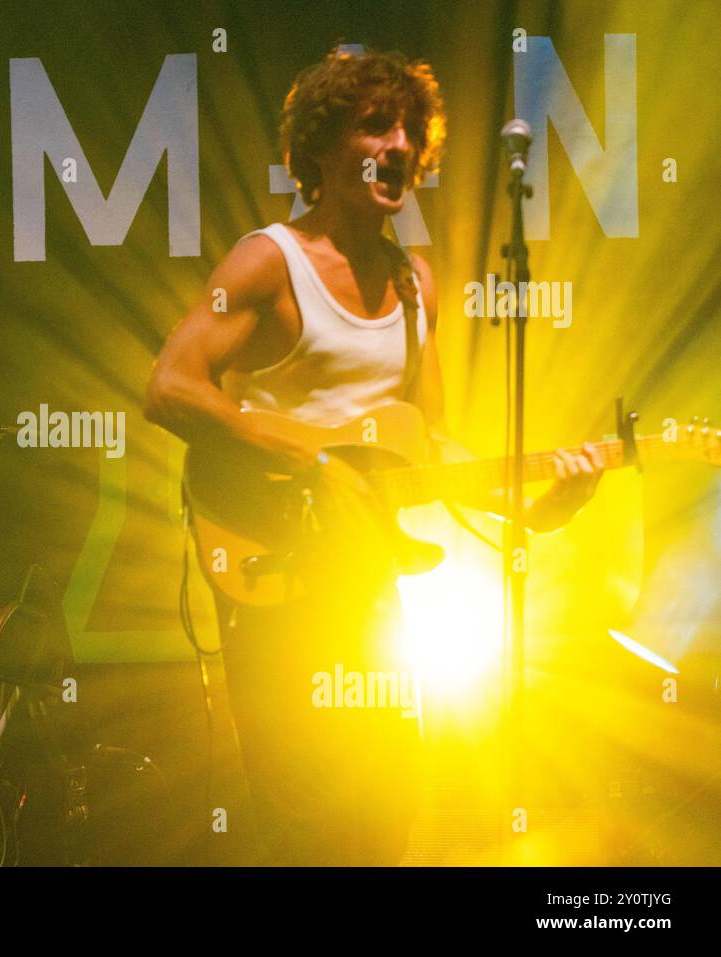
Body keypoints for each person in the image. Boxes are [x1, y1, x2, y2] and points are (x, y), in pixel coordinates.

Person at [143, 48, 603, 864]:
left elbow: (424, 441)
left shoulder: (415, 280)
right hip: (271, 563)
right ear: (320, 149)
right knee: (300, 805)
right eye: (374, 125)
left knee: (390, 797)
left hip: (367, 573)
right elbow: (171, 386)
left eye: (410, 133)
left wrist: (534, 500)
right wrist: (315, 451)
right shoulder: (267, 261)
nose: (398, 146)